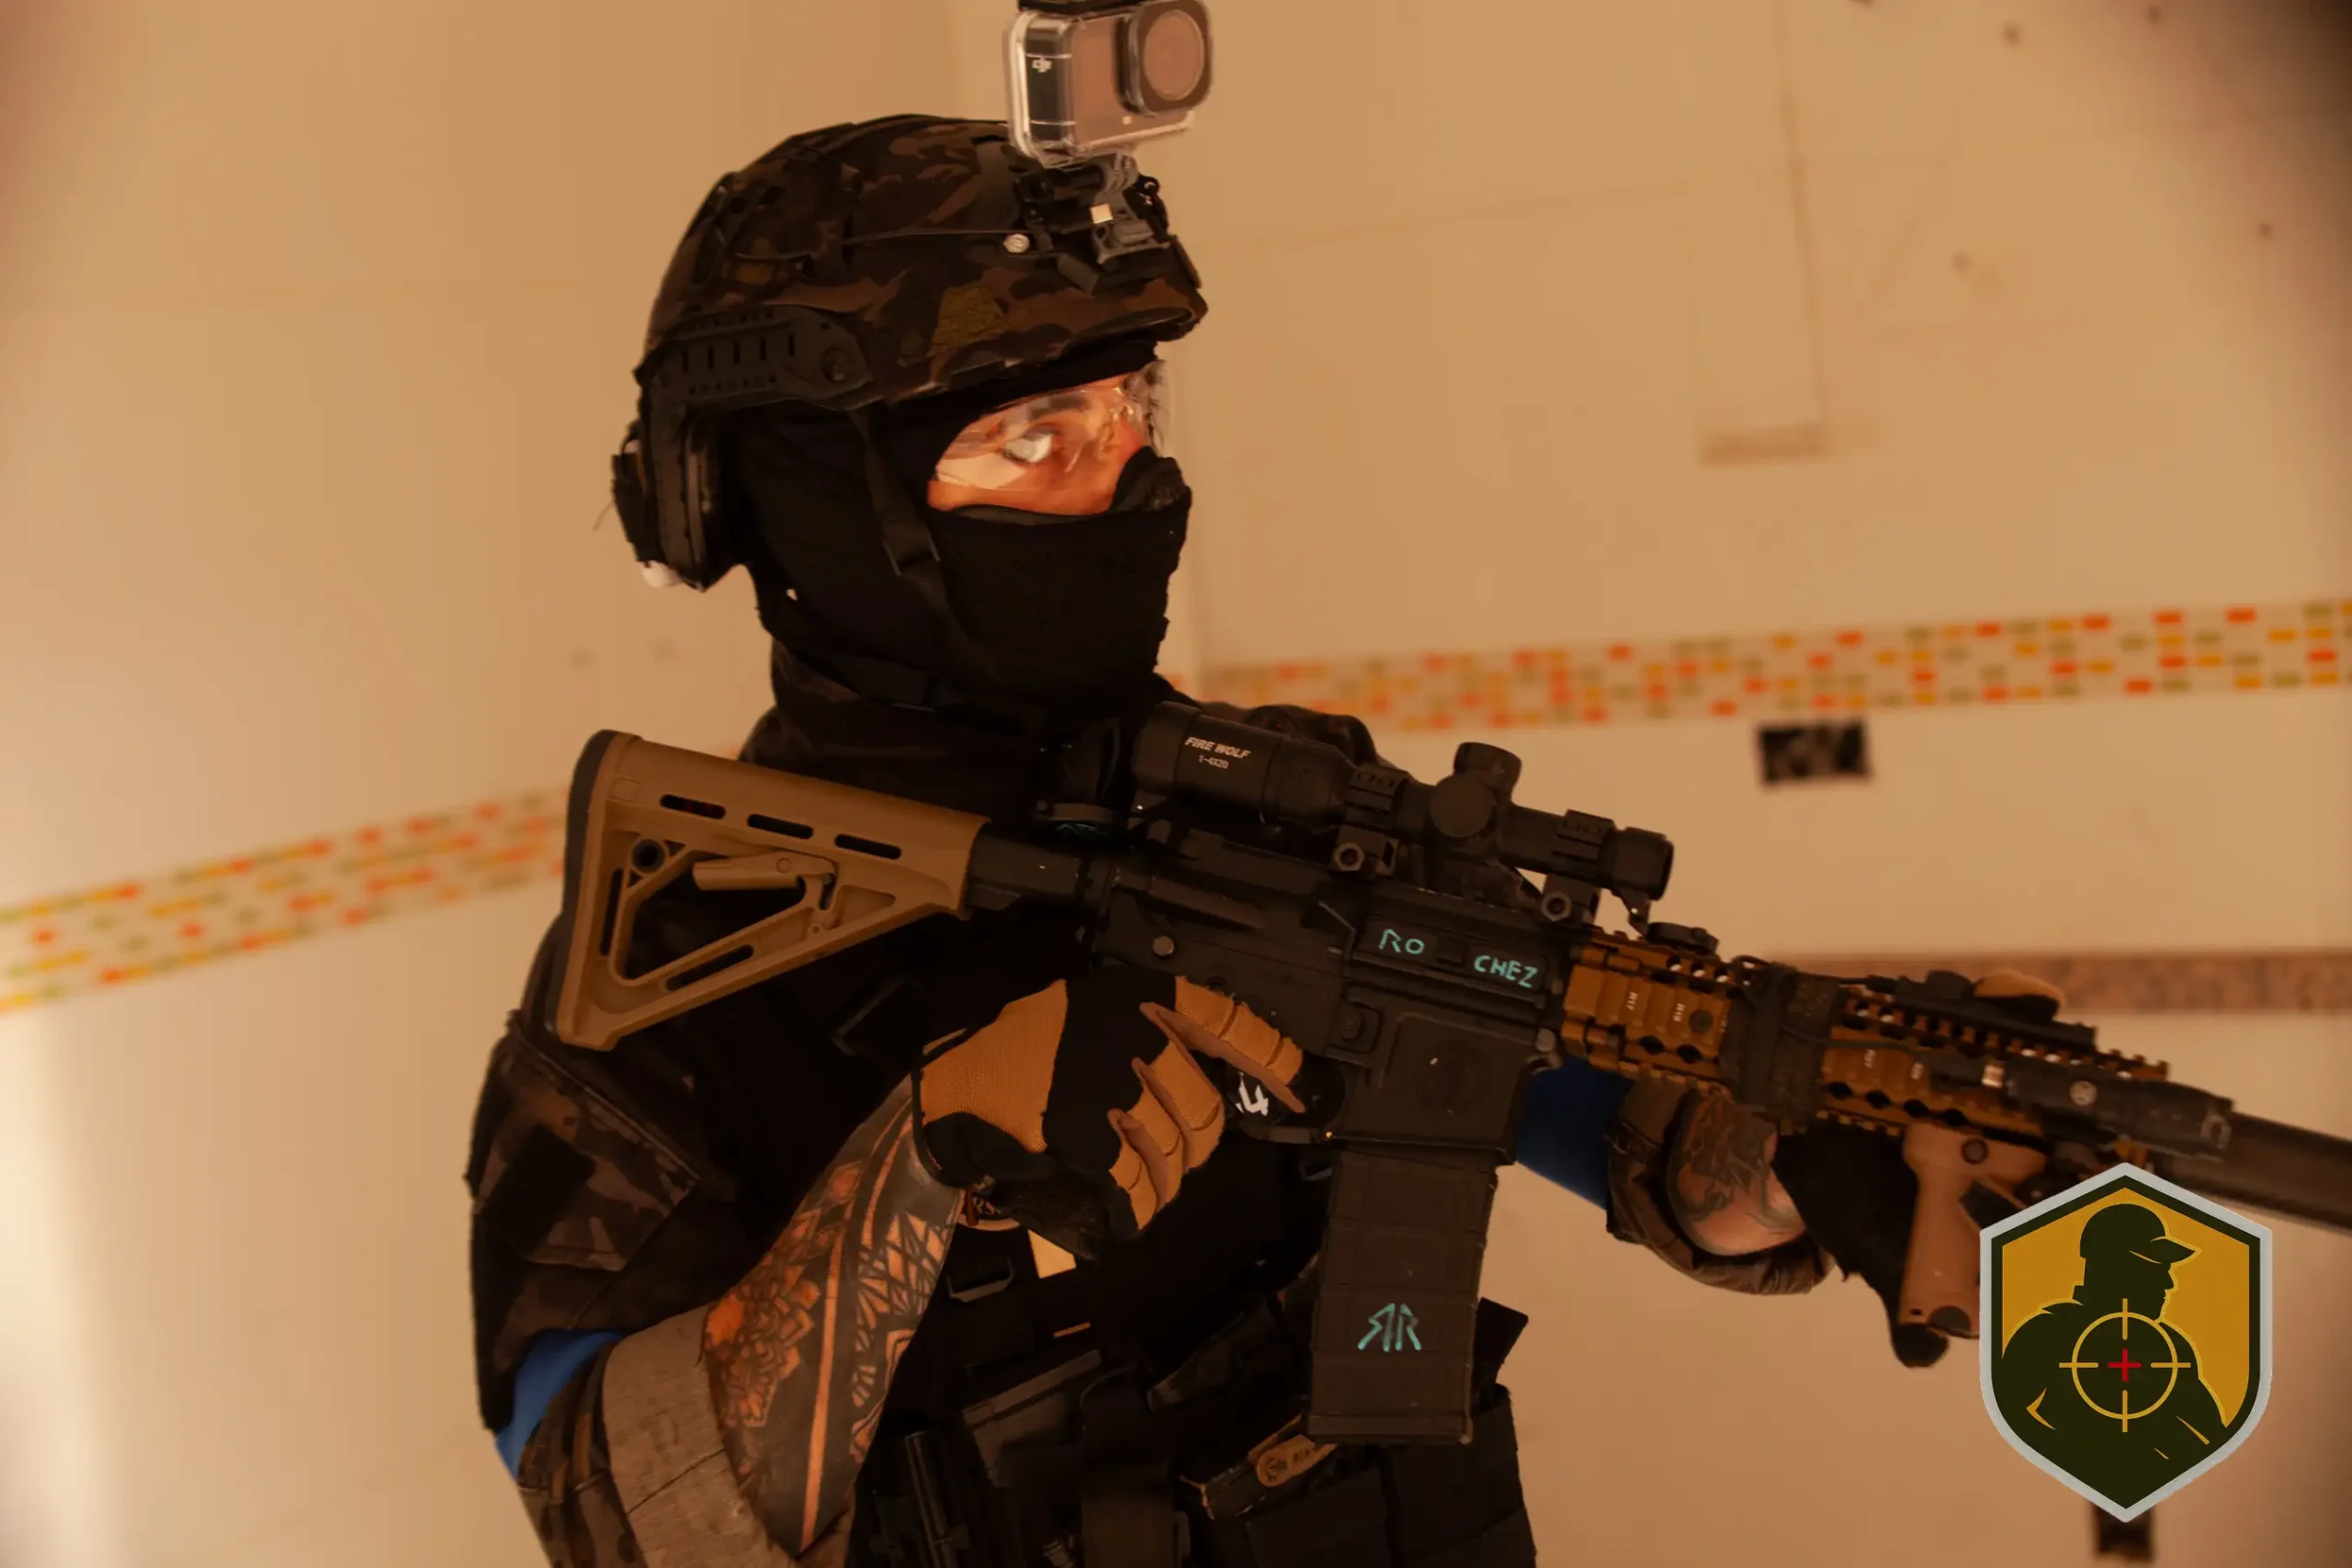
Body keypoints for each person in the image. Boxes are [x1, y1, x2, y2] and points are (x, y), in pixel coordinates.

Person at [465, 114, 1939, 1568]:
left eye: (1133, 409)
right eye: (1035, 436)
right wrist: (924, 1153)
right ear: (811, 498)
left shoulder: (1284, 807)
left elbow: (1634, 1127)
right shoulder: (677, 954)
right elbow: (605, 1512)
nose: (1125, 481)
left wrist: (1827, 1128)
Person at [1992, 1203, 2233, 1509]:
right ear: (2112, 1264)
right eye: (2155, 1266)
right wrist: (2081, 1454)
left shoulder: (2170, 1346)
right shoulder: (2051, 1332)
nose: (2168, 1283)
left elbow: (2212, 1435)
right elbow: (2008, 1411)